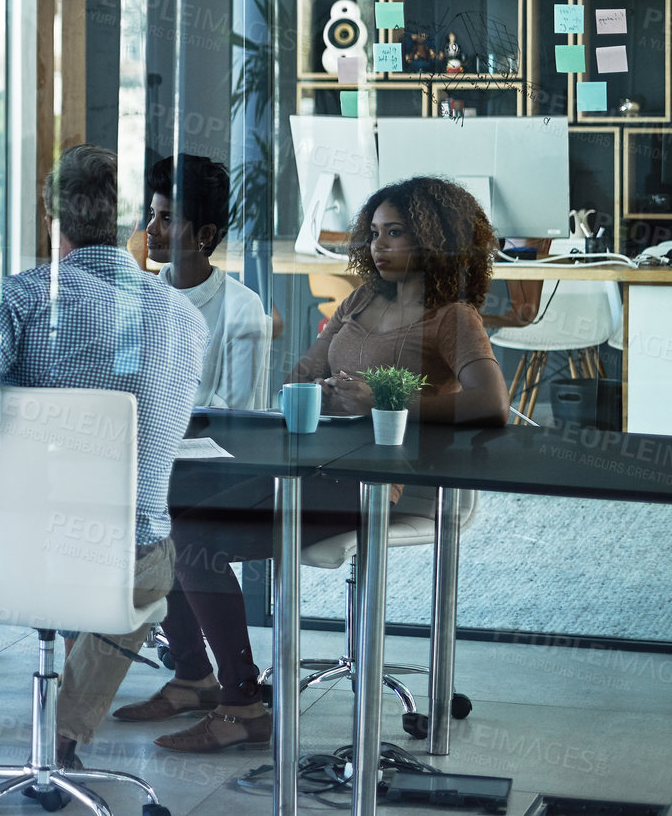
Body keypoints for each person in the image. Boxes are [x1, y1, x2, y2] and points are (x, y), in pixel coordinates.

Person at [121, 175, 508, 753]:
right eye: (374, 233)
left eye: (395, 233)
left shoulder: (451, 317)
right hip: (310, 465)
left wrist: (387, 400)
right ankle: (193, 678)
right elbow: (302, 373)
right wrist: (318, 389)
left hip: (373, 485)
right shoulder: (363, 299)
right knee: (161, 514)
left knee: (195, 539)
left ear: (433, 239)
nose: (379, 245)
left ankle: (241, 704)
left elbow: (491, 403)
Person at [0, 146, 208, 809]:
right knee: (153, 559)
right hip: (116, 565)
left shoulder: (19, 298)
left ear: (47, 212)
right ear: (131, 221)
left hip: (11, 554)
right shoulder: (185, 319)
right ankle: (59, 747)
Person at [145, 154, 269, 409]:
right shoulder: (143, 297)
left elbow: (231, 411)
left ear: (205, 234)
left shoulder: (243, 307)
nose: (151, 228)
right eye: (152, 214)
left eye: (166, 218)